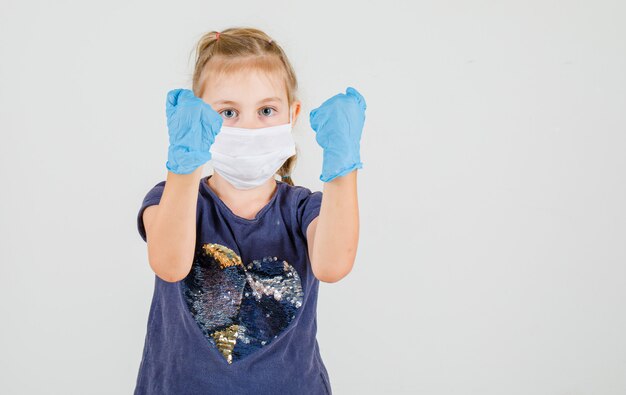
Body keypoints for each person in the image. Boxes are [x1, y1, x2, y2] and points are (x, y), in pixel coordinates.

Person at [134, 27, 367, 394]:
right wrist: (184, 164)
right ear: (199, 117)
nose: (248, 126)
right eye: (228, 112)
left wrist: (343, 167)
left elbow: (333, 265)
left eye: (266, 110)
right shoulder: (172, 198)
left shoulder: (303, 209)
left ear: (293, 114)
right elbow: (169, 262)